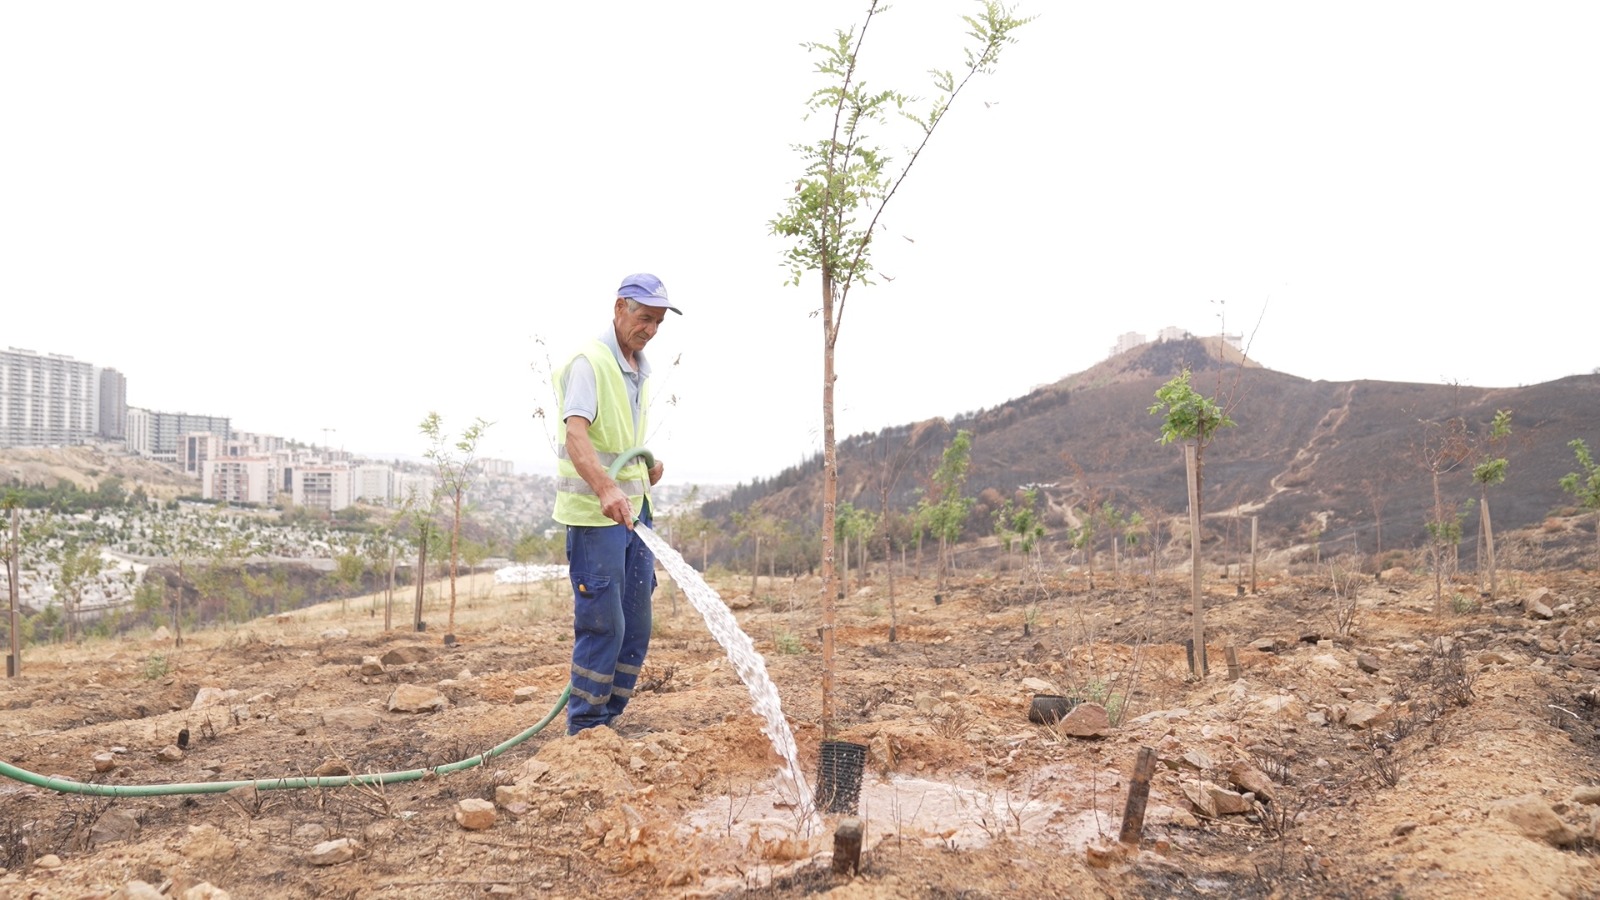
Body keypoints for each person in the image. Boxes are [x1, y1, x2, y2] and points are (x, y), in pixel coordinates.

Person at [551, 272, 680, 735]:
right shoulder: (590, 363)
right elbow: (576, 434)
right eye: (645, 317)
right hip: (595, 518)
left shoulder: (638, 368)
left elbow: (619, 444)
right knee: (603, 625)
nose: (650, 329)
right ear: (620, 307)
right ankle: (584, 730)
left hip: (634, 516)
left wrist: (644, 470)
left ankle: (608, 723)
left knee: (635, 628)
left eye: (659, 322)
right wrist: (606, 487)